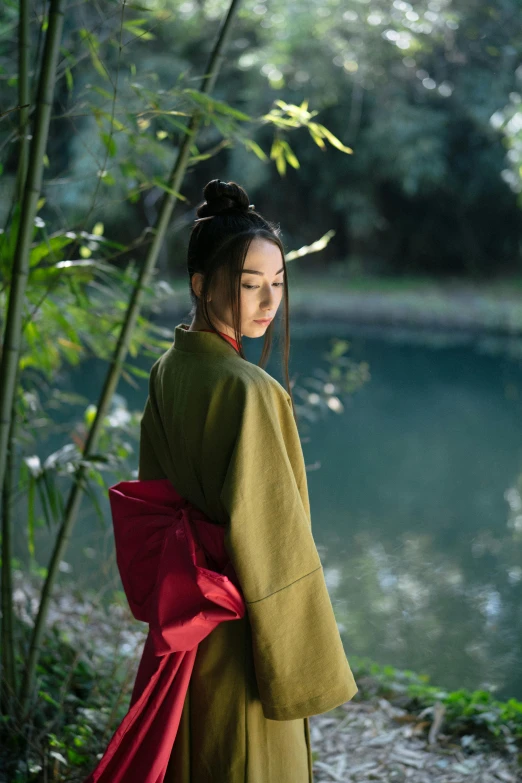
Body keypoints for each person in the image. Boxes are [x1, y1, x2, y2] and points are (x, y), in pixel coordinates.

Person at [138, 179, 358, 782]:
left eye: (277, 283)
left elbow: (153, 502)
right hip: (244, 634)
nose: (268, 303)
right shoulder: (251, 391)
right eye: (248, 284)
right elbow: (275, 545)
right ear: (200, 284)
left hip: (188, 626)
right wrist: (302, 668)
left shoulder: (168, 370)